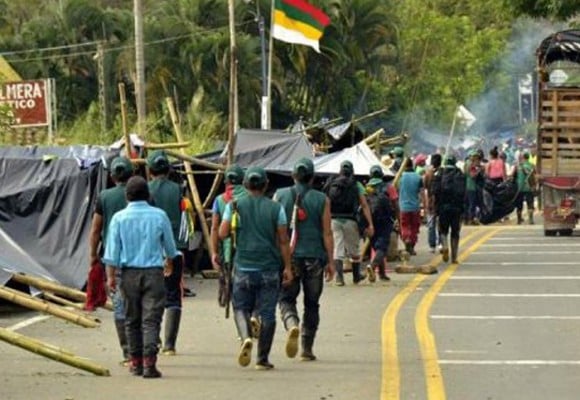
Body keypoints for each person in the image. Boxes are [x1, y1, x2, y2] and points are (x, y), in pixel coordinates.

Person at [104, 176, 179, 379]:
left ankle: (135, 363)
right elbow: (171, 249)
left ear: (127, 196)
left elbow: (112, 252)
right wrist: (169, 261)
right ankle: (149, 365)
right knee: (151, 320)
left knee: (131, 319)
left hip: (128, 274)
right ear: (147, 194)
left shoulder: (118, 218)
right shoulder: (160, 216)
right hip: (154, 274)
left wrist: (110, 277)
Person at [219, 166, 293, 370]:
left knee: (240, 307)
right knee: (268, 314)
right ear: (266, 184)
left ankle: (245, 338)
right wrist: (287, 267)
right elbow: (284, 240)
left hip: (243, 266)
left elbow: (222, 233)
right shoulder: (276, 208)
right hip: (269, 268)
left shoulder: (234, 206)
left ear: (244, 185)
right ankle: (262, 359)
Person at [274, 158, 334, 361]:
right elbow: (327, 233)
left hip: (288, 259)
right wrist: (331, 262)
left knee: (286, 298)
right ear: (312, 177)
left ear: (293, 175)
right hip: (315, 258)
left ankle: (292, 325)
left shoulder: (279, 196)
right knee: (312, 303)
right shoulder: (322, 199)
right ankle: (307, 349)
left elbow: (275, 230)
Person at [87, 156, 133, 364]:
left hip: (112, 258)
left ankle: (127, 351)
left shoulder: (104, 197)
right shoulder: (140, 194)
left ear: (112, 176)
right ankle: (145, 343)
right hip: (138, 257)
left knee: (119, 304)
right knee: (139, 301)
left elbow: (96, 229)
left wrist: (93, 255)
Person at [147, 150, 185, 356]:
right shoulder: (178, 190)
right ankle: (169, 345)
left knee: (151, 296)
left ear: (150, 170)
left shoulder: (144, 189)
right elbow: (185, 219)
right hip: (174, 249)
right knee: (173, 296)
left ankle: (154, 339)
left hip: (149, 251)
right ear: (168, 170)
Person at [324, 160, 374, 286]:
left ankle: (339, 278)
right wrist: (370, 223)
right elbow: (364, 204)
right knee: (354, 249)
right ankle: (356, 276)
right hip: (351, 220)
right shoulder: (356, 184)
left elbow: (326, 202)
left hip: (334, 220)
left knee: (338, 248)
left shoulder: (332, 183)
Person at [431, 156, 466, 263]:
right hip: (457, 209)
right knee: (455, 233)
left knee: (443, 231)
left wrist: (435, 208)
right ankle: (454, 258)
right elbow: (464, 193)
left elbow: (434, 192)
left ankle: (445, 246)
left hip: (443, 208)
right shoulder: (460, 174)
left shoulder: (440, 174)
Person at [364, 174, 397, 281]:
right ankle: (373, 266)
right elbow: (393, 207)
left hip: (371, 223)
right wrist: (397, 219)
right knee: (382, 248)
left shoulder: (367, 193)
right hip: (384, 222)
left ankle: (382, 274)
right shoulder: (386, 192)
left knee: (376, 246)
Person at [398, 158, 423, 255]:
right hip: (415, 207)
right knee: (414, 227)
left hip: (403, 206)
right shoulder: (418, 177)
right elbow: (421, 193)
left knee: (404, 225)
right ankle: (411, 246)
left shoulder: (400, 177)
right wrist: (423, 205)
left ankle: (407, 240)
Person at [423, 154, 442, 253]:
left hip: (431, 203)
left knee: (431, 225)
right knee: (440, 224)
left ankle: (432, 245)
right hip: (440, 203)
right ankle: (440, 243)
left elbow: (425, 187)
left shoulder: (428, 173)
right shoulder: (443, 172)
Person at [514, 152, 536, 225]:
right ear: (528, 157)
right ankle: (531, 219)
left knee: (519, 204)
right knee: (530, 204)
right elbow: (534, 176)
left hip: (519, 188)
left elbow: (513, 176)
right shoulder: (532, 165)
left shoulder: (518, 166)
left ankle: (519, 219)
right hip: (529, 187)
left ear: (523, 157)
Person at [464, 150, 484, 225]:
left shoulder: (466, 163)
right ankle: (471, 219)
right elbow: (472, 175)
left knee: (467, 204)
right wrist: (478, 170)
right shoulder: (471, 165)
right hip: (472, 186)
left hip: (467, 186)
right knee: (472, 204)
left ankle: (467, 219)